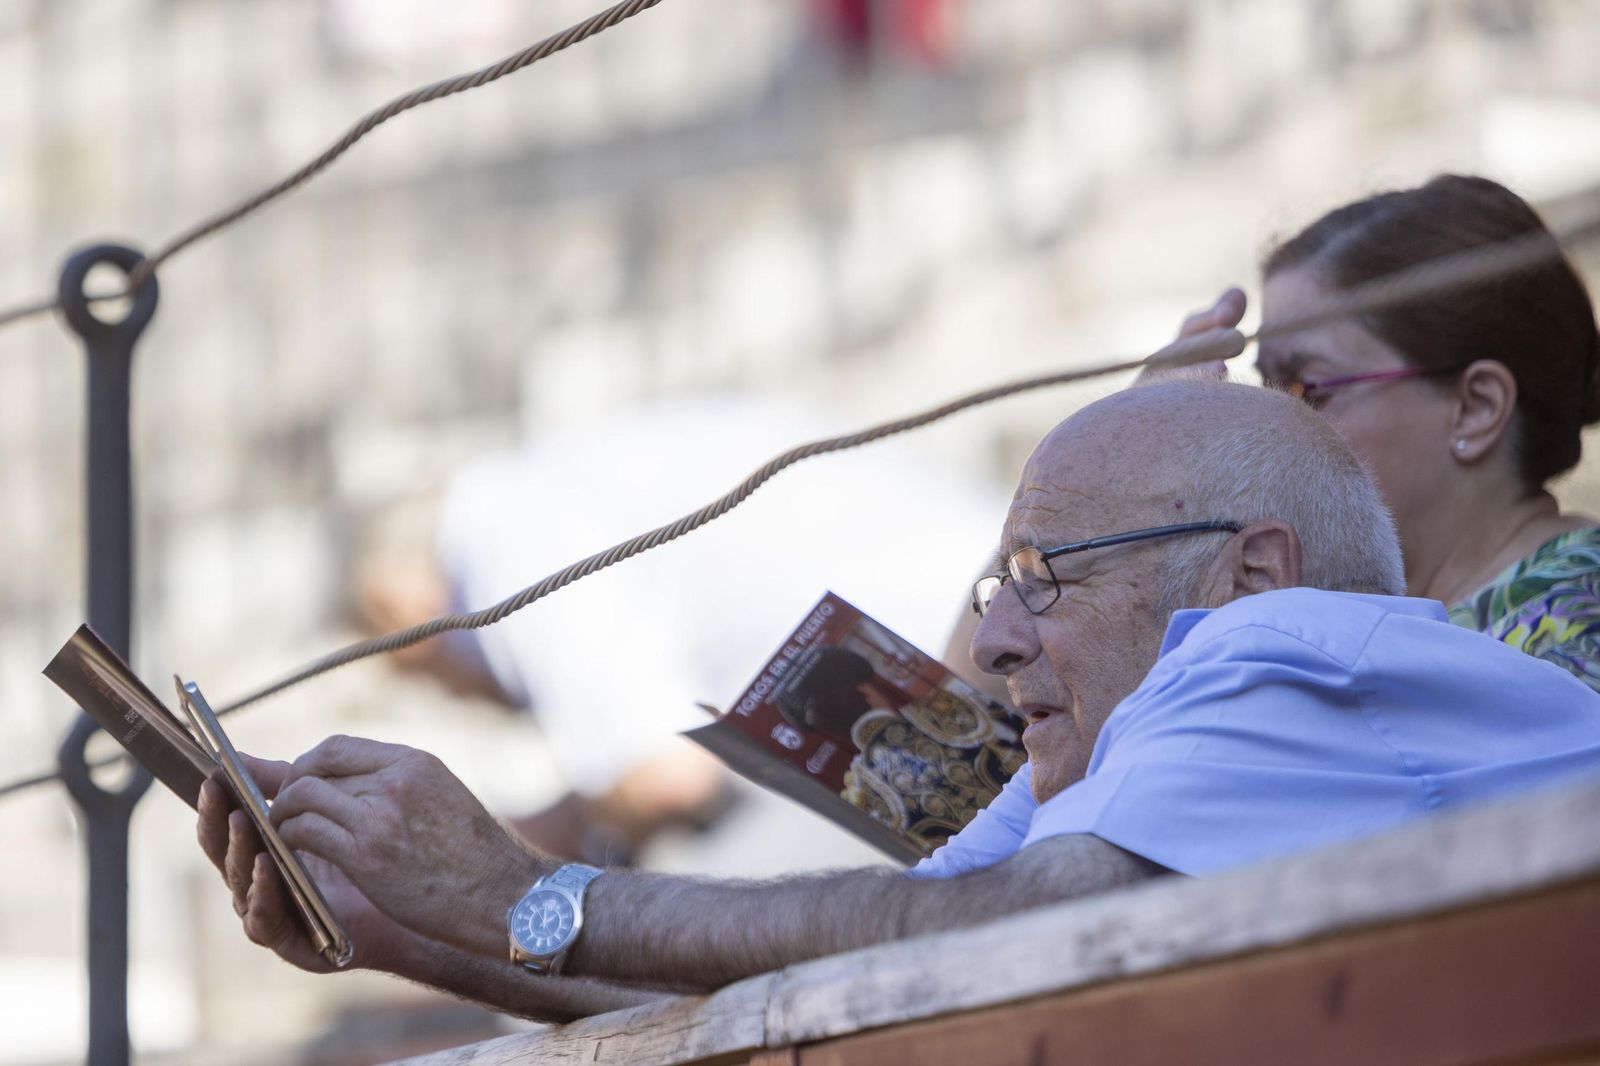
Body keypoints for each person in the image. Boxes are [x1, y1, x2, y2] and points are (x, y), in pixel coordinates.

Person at [197, 380, 1600, 1022]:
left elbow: (1004, 922)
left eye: (1041, 578)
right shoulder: (1104, 769)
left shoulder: (1287, 637)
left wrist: (521, 891)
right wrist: (417, 927)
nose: (985, 641)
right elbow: (859, 970)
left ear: (1248, 567)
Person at [1174, 175, 1600, 690]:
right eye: (1264, 389)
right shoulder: (1383, 624)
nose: (1268, 426)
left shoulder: (1577, 641)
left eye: (1308, 389)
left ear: (1477, 408)